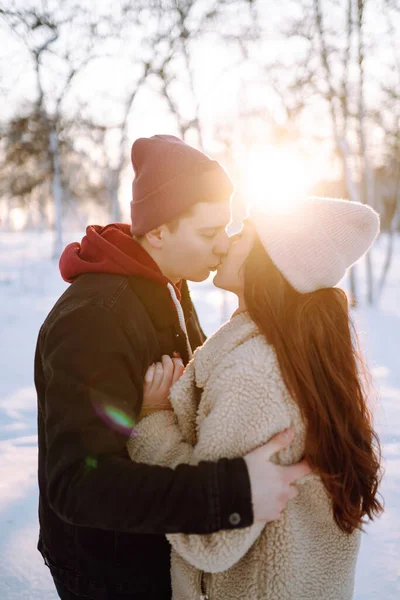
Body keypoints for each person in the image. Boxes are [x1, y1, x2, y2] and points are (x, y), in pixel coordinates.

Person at [34, 134, 310, 600]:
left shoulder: (167, 283)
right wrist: (231, 497)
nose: (224, 246)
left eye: (225, 229)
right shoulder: (94, 320)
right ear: (159, 232)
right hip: (108, 571)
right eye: (208, 233)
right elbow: (77, 485)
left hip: (153, 550)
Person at [128, 196, 384, 600]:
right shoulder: (298, 356)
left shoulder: (255, 375)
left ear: (270, 263)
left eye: (243, 234)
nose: (227, 242)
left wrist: (153, 422)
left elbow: (209, 536)